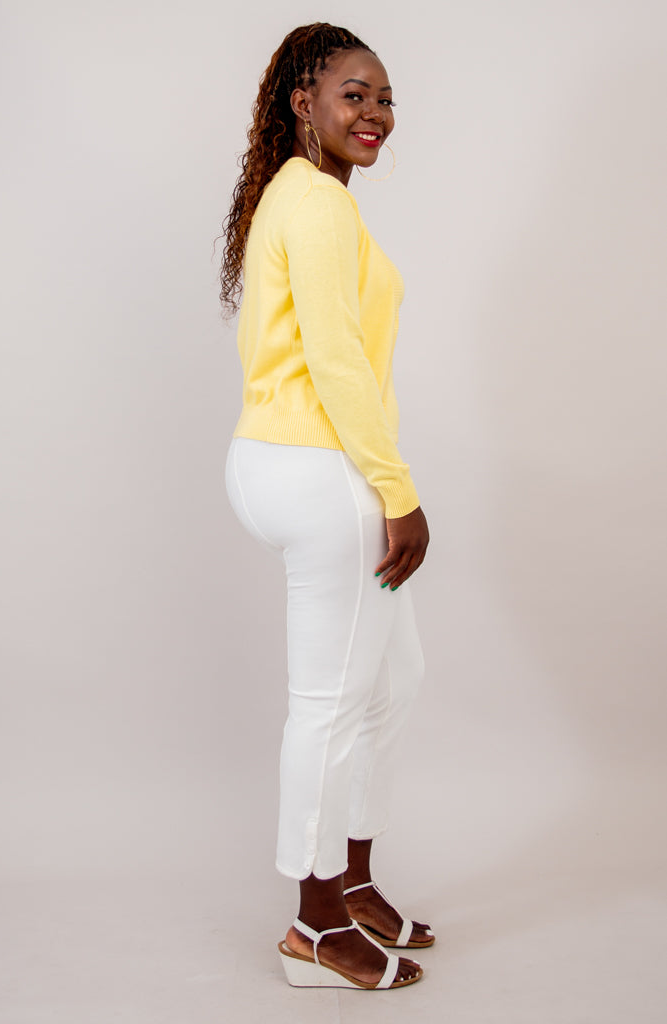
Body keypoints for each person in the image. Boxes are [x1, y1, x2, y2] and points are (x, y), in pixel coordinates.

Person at [220, 23, 432, 990]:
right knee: (330, 706)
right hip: (316, 469)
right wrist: (398, 491)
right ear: (302, 101)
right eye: (355, 94)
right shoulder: (314, 203)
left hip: (291, 460)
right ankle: (312, 925)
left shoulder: (301, 196)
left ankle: (352, 881)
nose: (375, 114)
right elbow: (336, 359)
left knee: (393, 681)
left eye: (384, 98)